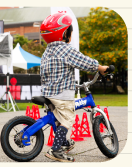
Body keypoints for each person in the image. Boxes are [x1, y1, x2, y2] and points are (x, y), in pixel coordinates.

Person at [40, 12, 108, 162]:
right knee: (68, 118)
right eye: (70, 31)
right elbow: (84, 61)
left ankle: (63, 142)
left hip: (48, 92)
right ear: (64, 34)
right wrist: (100, 67)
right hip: (61, 94)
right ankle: (56, 150)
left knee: (58, 119)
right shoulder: (66, 50)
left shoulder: (47, 52)